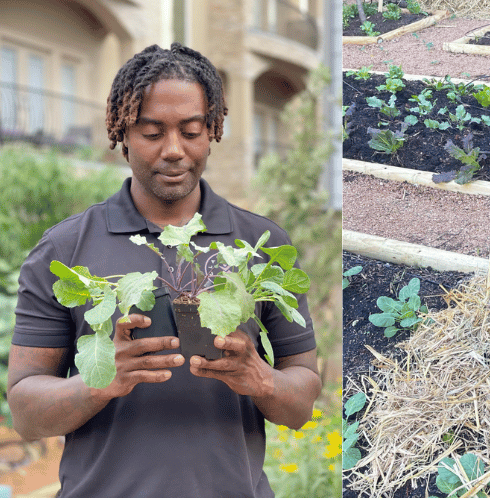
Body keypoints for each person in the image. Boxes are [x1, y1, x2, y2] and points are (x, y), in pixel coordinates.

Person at [8, 43, 322, 497]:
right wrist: (99, 383)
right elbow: (25, 411)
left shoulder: (261, 245)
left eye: (191, 131)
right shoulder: (65, 248)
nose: (174, 150)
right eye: (152, 133)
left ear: (212, 130)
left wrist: (262, 379)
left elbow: (302, 401)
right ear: (122, 133)